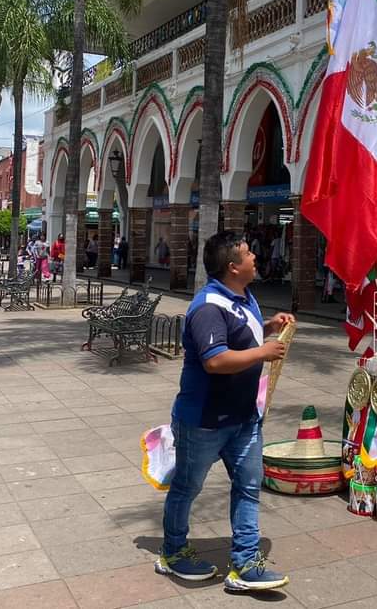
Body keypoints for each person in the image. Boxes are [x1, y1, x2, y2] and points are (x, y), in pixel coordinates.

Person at [157, 231, 293, 591]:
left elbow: (238, 335)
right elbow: (216, 360)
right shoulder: (207, 307)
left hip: (244, 418)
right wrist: (264, 352)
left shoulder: (242, 297)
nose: (255, 259)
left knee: (248, 486)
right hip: (204, 420)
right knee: (187, 487)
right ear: (233, 266)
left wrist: (268, 327)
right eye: (249, 255)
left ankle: (246, 563)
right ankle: (172, 552)